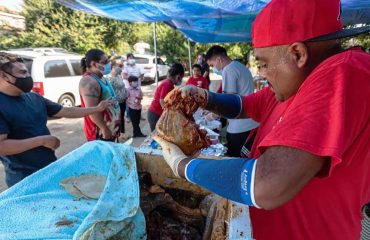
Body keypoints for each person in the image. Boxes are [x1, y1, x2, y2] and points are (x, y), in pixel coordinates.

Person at [153, 0, 370, 239]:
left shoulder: (342, 74)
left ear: (297, 53)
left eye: (264, 64)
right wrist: (205, 97)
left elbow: (266, 184)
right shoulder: (298, 81)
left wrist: (182, 166)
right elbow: (246, 105)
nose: (262, 74)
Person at [0, 52, 112, 187]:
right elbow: (2, 146)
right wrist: (42, 140)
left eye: (28, 73)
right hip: (24, 178)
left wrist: (97, 109)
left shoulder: (33, 97)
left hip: (49, 167)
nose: (28, 77)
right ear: (3, 75)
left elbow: (66, 111)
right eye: (23, 73)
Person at [206, 45, 259, 157]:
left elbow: (228, 102)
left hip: (240, 126)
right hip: (252, 122)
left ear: (219, 60)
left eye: (212, 65)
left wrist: (213, 114)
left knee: (236, 161)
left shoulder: (228, 70)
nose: (213, 68)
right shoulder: (240, 66)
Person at [79, 49, 121, 142]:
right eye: (104, 62)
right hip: (100, 133)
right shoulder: (89, 81)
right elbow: (92, 110)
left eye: (108, 61)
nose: (108, 64)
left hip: (111, 128)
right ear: (94, 64)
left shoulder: (102, 78)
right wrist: (104, 128)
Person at [147, 63, 184, 132]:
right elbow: (162, 101)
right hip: (155, 114)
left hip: (156, 113)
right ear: (178, 77)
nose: (180, 81)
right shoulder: (168, 84)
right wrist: (170, 114)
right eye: (181, 78)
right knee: (157, 136)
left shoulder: (169, 84)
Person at [107, 61, 128, 140]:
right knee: (117, 119)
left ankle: (122, 133)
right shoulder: (109, 78)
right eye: (117, 66)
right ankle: (116, 134)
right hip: (116, 102)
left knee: (122, 117)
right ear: (112, 68)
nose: (119, 68)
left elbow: (122, 86)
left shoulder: (119, 76)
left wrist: (126, 93)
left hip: (123, 100)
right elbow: (110, 92)